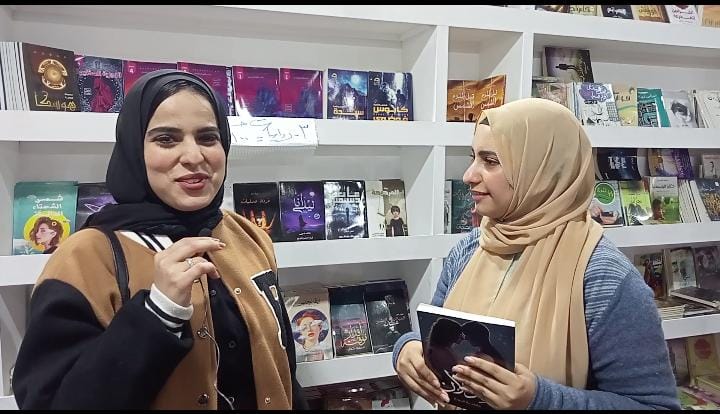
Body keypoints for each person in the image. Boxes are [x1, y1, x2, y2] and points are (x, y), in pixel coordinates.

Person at [13, 70, 306, 410]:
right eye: (166, 139)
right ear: (134, 149)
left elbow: (284, 372)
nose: (194, 156)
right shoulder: (85, 257)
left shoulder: (247, 236)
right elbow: (50, 402)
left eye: (208, 138)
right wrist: (158, 312)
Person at [392, 98, 679, 410]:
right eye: (473, 157)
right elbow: (432, 334)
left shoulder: (604, 277)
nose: (469, 175)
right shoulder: (471, 248)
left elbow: (654, 406)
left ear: (541, 171)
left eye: (491, 161)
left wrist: (537, 399)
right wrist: (407, 348)